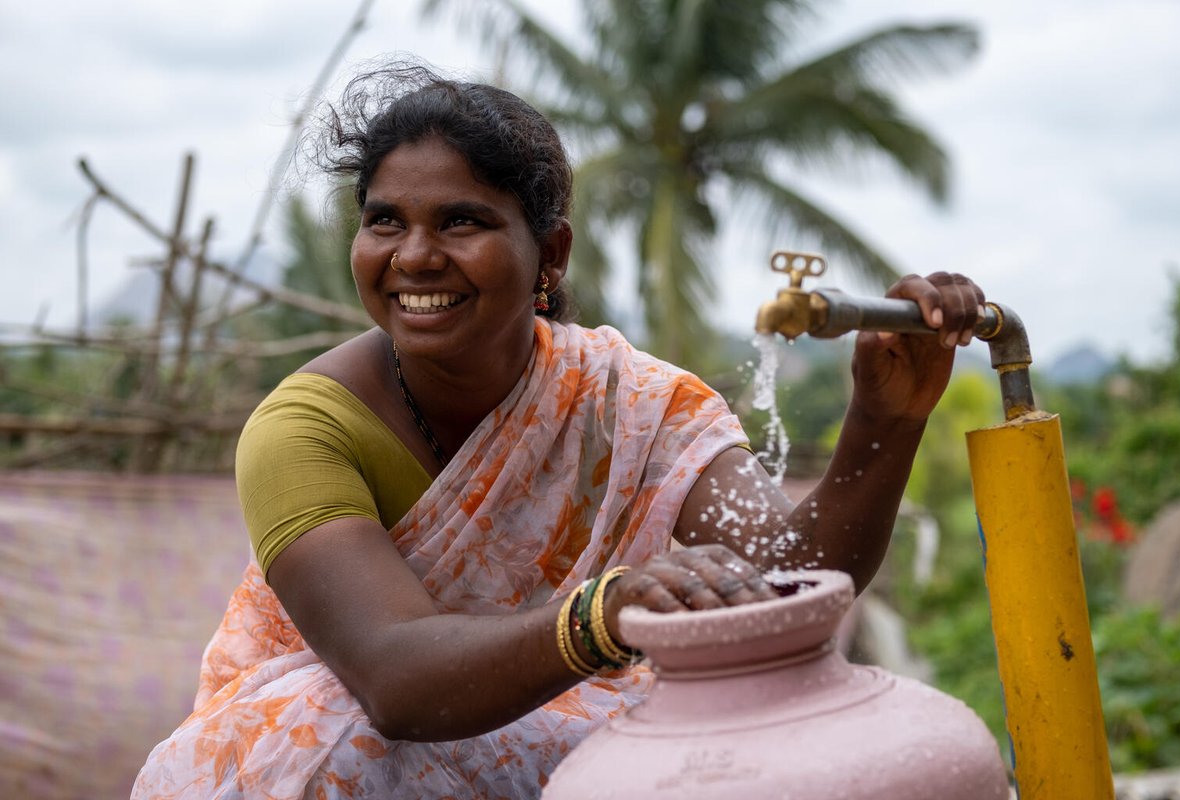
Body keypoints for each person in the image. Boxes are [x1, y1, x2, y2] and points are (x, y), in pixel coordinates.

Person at [132, 62, 985, 799]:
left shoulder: (630, 404)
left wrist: (886, 418)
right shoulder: (303, 431)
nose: (415, 254)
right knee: (327, 728)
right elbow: (396, 681)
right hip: (345, 769)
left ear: (551, 255)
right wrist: (605, 613)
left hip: (560, 745)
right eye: (385, 219)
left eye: (461, 221)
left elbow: (790, 578)